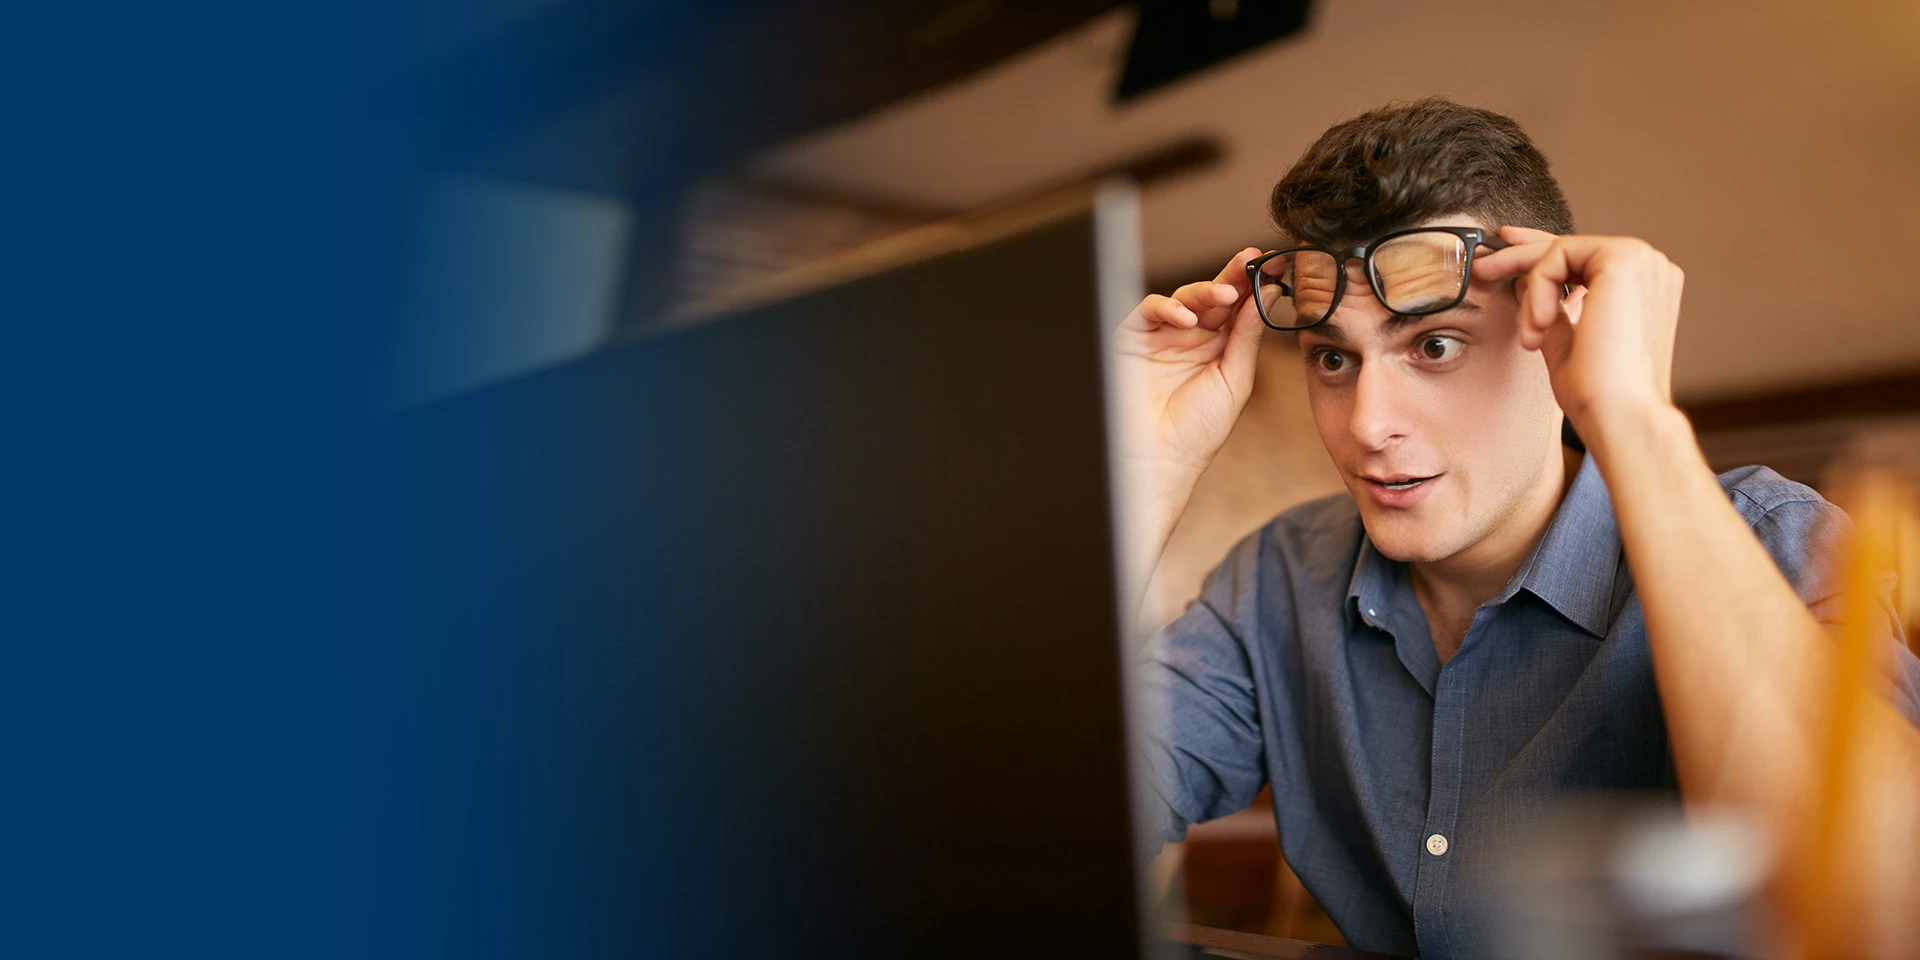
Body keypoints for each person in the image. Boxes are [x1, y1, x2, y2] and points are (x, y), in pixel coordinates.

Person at [1114, 97, 1920, 959]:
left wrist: (1632, 414)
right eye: (1334, 358)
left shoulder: (1773, 540)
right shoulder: (1278, 575)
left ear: (1559, 326)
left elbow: (1885, 918)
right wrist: (1139, 475)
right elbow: (1027, 829)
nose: (1367, 425)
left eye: (1434, 346)